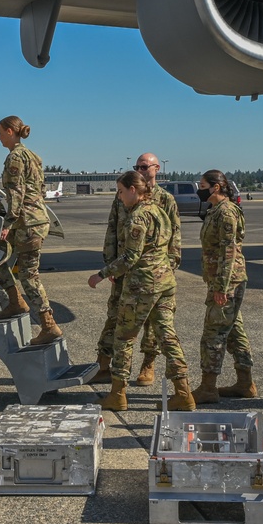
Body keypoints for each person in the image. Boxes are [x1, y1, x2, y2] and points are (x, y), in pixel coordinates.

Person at [88, 171, 193, 412]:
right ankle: (184, 393)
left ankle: (117, 394)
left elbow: (130, 257)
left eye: (121, 191)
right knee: (167, 337)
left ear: (133, 190)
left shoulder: (138, 217)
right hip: (165, 282)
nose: (120, 197)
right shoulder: (159, 211)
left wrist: (102, 274)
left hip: (141, 285)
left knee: (124, 338)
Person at [0, 116, 62, 345]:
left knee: (28, 275)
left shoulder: (15, 157)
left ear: (11, 131)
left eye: (0, 132)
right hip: (33, 220)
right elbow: (40, 189)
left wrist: (8, 222)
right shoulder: (34, 156)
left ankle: (48, 324)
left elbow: (16, 193)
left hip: (26, 222)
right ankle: (15, 302)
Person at [191, 170, 258, 405]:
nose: (199, 189)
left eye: (203, 185)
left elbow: (229, 252)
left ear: (216, 187)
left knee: (213, 333)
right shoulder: (215, 211)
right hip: (222, 280)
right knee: (234, 332)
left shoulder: (227, 212)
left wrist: (222, 286)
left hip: (227, 282)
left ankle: (208, 387)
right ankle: (245, 383)